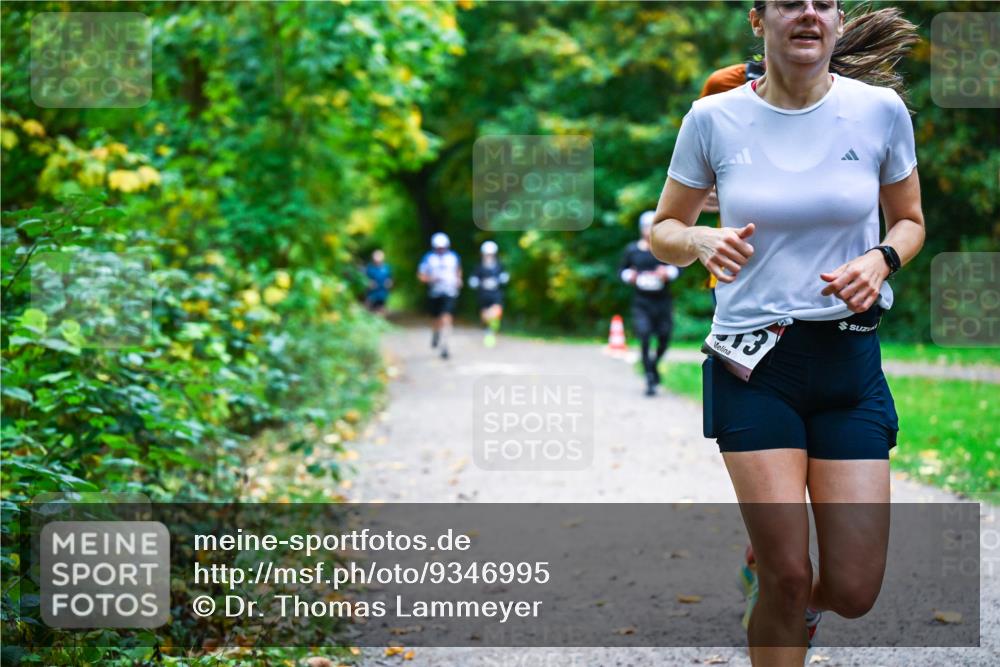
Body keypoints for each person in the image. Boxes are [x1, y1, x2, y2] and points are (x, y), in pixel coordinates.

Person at [650, 2, 921, 666]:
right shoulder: (713, 117)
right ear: (757, 19)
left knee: (854, 590)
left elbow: (910, 220)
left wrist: (881, 258)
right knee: (788, 573)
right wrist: (699, 238)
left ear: (837, 20)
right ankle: (776, 585)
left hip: (848, 363)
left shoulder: (879, 112)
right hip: (754, 367)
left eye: (822, 2)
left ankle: (784, 596)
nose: (807, 12)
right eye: (789, 2)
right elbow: (663, 231)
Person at [620, 211, 680, 396]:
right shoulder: (632, 250)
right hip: (641, 302)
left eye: (653, 227)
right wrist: (630, 276)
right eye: (647, 227)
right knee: (644, 336)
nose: (649, 231)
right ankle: (649, 378)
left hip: (662, 301)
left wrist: (667, 273)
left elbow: (679, 268)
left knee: (664, 338)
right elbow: (622, 270)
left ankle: (653, 366)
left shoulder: (665, 249)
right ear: (641, 229)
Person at [418, 232, 462, 360]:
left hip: (450, 292)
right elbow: (421, 275)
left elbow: (458, 270)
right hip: (435, 293)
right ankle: (436, 333)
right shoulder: (428, 258)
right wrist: (431, 279)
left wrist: (458, 280)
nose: (441, 250)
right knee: (436, 319)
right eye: (439, 248)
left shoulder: (453, 257)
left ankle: (445, 345)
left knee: (446, 317)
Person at [467, 240, 509, 348]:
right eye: (487, 254)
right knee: (485, 316)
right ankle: (488, 330)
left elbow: (504, 277)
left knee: (496, 312)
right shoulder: (479, 267)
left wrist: (500, 280)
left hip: (495, 294)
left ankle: (491, 330)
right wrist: (476, 282)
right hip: (483, 295)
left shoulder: (499, 266)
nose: (488, 256)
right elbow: (473, 279)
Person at [364, 249, 393, 315]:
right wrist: (369, 283)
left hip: (383, 292)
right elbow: (365, 279)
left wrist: (389, 283)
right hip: (372, 293)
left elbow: (390, 278)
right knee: (371, 311)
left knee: (381, 310)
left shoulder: (387, 267)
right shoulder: (369, 268)